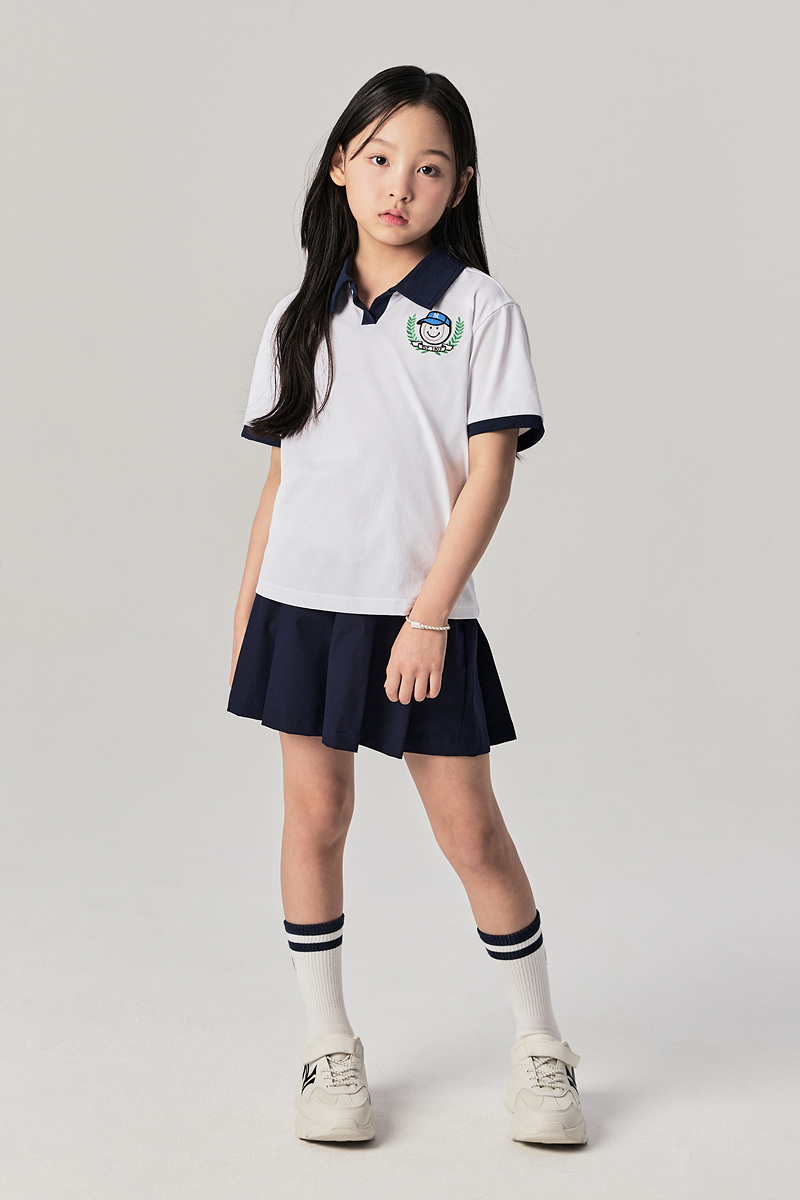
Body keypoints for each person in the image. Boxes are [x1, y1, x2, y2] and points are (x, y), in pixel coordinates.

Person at [227, 64, 587, 1147]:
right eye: (380, 159)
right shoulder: (297, 317)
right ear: (341, 165)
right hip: (301, 606)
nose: (400, 185)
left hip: (419, 614)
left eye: (429, 168)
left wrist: (428, 615)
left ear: (458, 185)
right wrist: (246, 617)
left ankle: (541, 1044)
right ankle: (327, 1044)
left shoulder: (478, 309)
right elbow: (282, 480)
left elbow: (490, 474)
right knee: (315, 819)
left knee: (469, 828)